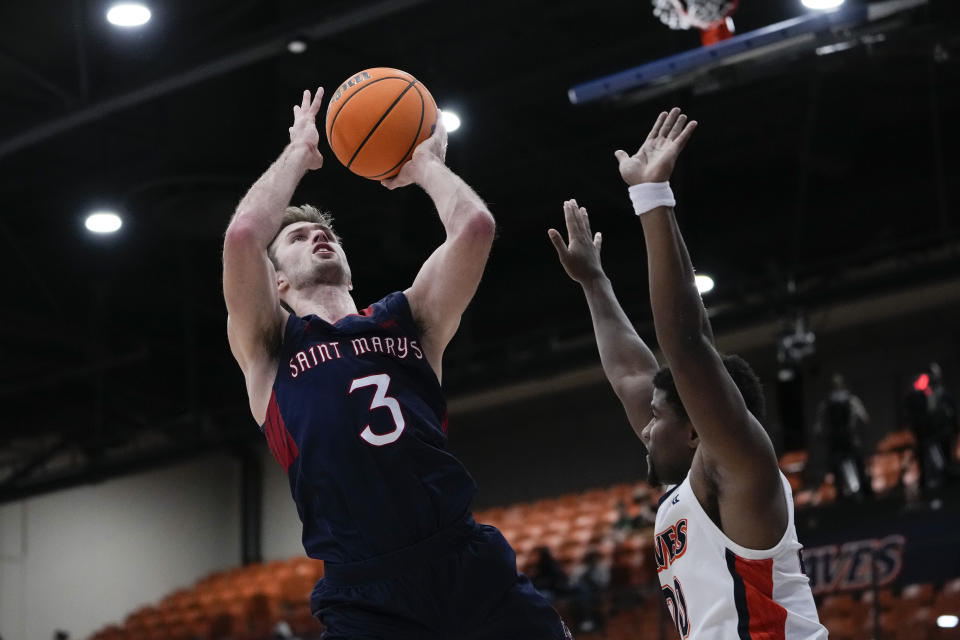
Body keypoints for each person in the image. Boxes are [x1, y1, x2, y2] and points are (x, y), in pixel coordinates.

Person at [223, 88, 571, 640]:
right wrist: (299, 154)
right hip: (365, 596)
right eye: (296, 236)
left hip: (466, 566)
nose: (319, 234)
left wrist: (427, 166)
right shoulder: (270, 346)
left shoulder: (409, 318)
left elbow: (475, 226)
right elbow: (243, 236)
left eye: (327, 233)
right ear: (278, 282)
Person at [549, 108, 826, 638]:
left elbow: (688, 345)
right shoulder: (696, 476)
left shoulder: (738, 463)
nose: (645, 429)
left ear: (699, 427)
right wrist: (594, 283)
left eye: (657, 419)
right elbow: (635, 377)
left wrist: (651, 198)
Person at [812, 373, 870, 499]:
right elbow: (864, 418)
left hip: (843, 438)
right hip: (843, 439)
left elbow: (818, 427)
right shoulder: (835, 402)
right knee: (844, 465)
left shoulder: (841, 401)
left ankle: (853, 490)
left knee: (852, 463)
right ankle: (847, 491)